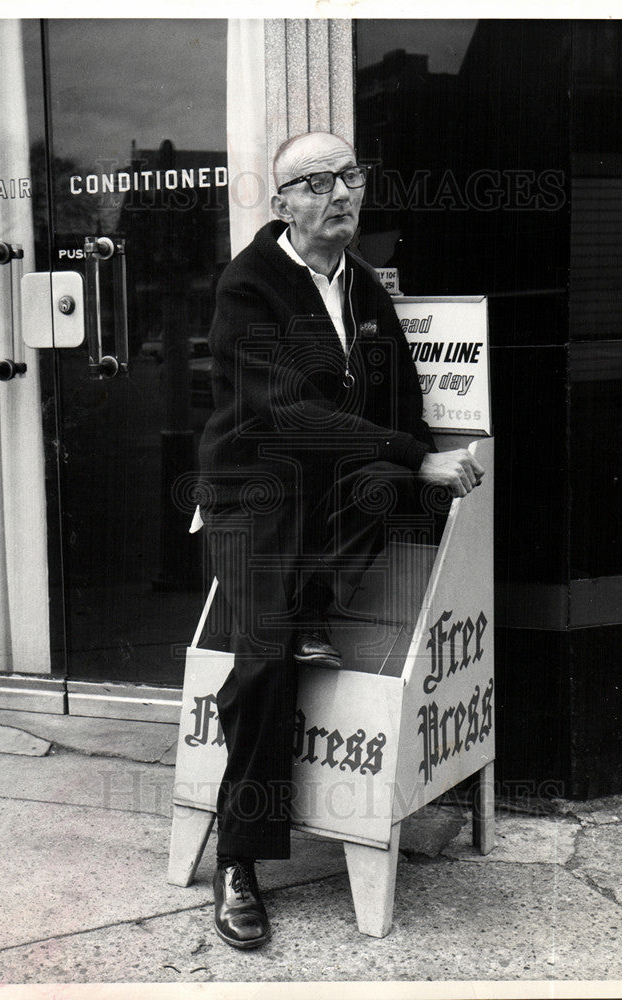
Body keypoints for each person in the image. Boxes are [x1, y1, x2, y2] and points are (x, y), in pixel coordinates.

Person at [197, 131, 484, 949]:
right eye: (315, 182)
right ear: (281, 201)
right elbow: (287, 412)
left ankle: (312, 603)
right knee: (262, 664)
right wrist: (408, 459)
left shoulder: (360, 284)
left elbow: (396, 402)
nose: (338, 194)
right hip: (255, 491)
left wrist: (436, 468)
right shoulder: (248, 285)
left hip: (328, 493)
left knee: (399, 480)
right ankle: (238, 862)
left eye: (348, 176)